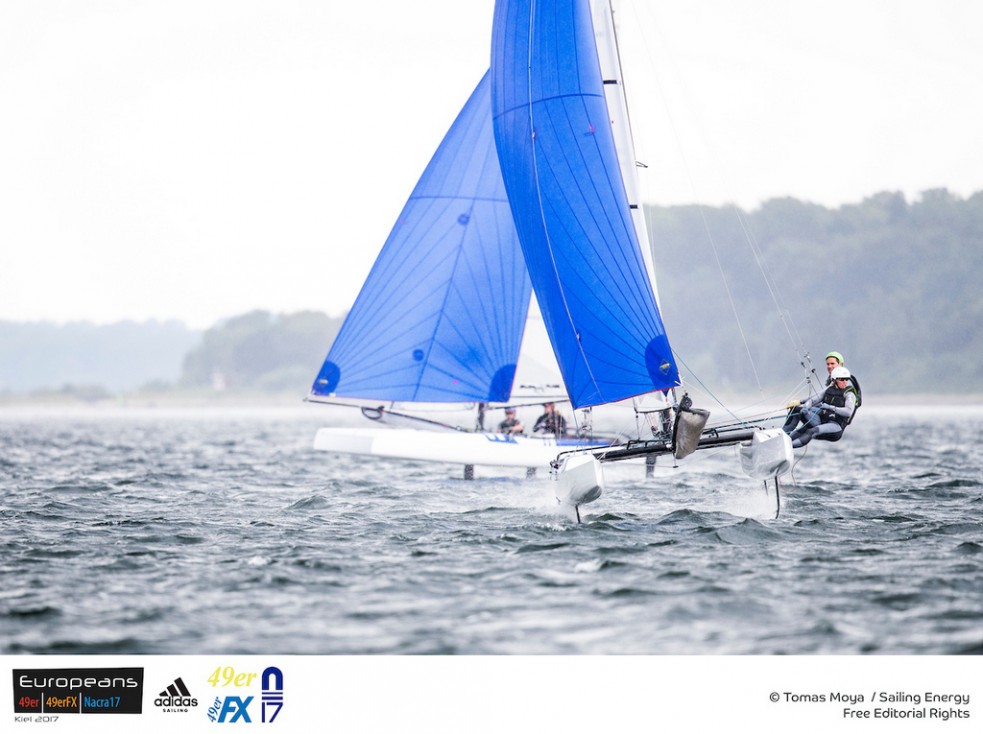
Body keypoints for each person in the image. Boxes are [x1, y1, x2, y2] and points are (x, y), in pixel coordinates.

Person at [783, 366, 859, 448]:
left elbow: (848, 412)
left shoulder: (849, 394)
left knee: (811, 431)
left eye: (846, 379)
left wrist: (830, 407)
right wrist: (805, 407)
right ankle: (783, 436)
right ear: (834, 380)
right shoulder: (828, 390)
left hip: (835, 426)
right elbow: (812, 400)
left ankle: (788, 447)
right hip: (822, 421)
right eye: (842, 379)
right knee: (797, 410)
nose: (845, 382)